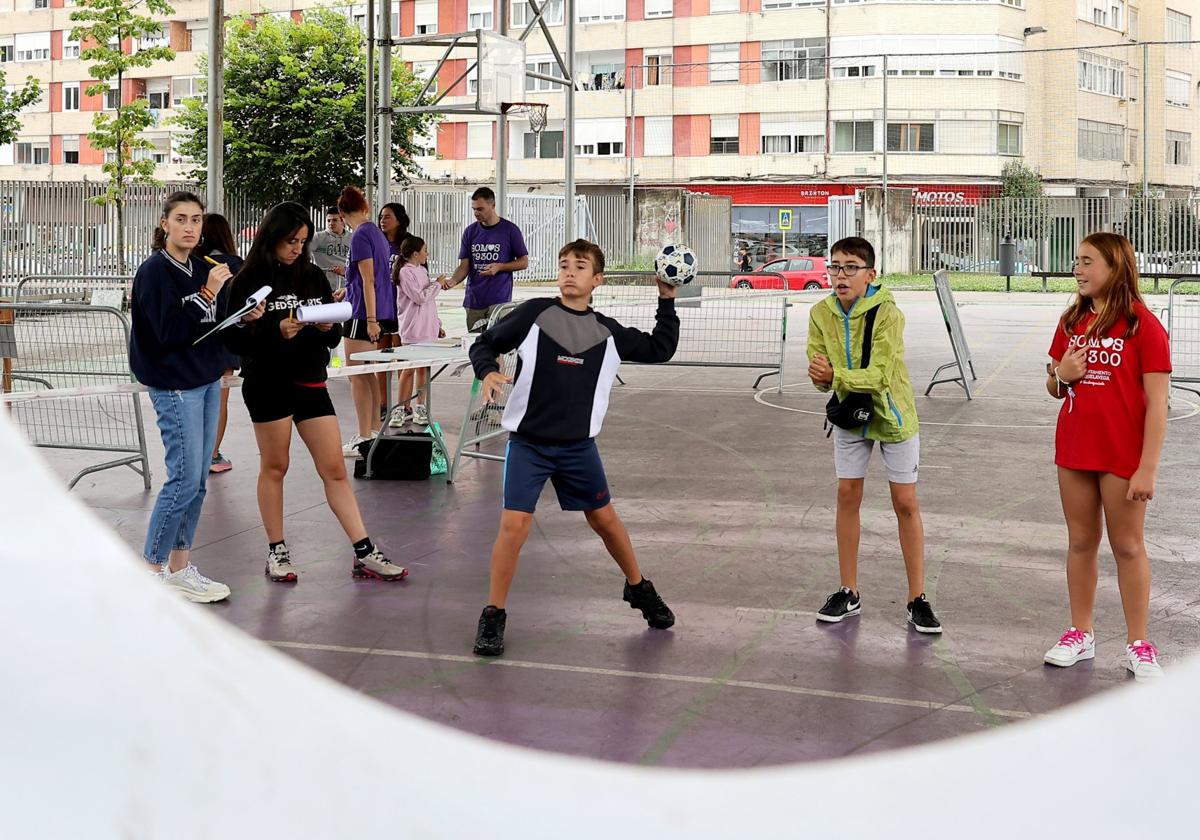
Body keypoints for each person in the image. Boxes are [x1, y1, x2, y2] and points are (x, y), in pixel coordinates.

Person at [467, 239, 679, 657]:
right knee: (514, 527)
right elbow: (483, 344)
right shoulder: (533, 315)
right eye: (564, 265)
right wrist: (488, 371)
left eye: (579, 267)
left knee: (606, 522)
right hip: (528, 445)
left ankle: (638, 587)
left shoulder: (608, 332)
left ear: (596, 280)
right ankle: (493, 614)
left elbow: (661, 348)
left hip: (578, 449)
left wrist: (666, 300)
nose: (569, 272)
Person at [222, 202, 409, 584]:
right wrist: (275, 331)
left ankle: (363, 550)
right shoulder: (245, 281)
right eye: (291, 241)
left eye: (303, 242)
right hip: (268, 384)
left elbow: (335, 332)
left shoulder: (311, 277)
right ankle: (277, 550)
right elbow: (233, 341)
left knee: (335, 469)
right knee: (276, 466)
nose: (296, 249)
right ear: (272, 237)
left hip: (310, 380)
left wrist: (327, 329)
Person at [1042, 232, 1170, 680]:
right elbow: (1053, 385)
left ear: (1115, 268)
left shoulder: (1143, 326)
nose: (1077, 269)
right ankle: (1081, 632)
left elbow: (1158, 404)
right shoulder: (1071, 321)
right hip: (1075, 449)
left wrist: (1147, 467)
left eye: (1087, 262)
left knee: (1128, 547)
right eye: (1076, 261)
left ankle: (1139, 643)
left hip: (1123, 456)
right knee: (1080, 542)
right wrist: (1063, 373)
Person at [129, 191, 260, 603]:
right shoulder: (155, 273)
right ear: (164, 224)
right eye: (181, 219)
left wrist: (243, 315)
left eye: (197, 220)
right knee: (183, 478)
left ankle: (181, 567)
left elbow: (211, 326)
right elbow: (166, 332)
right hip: (174, 384)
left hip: (204, 379)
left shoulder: (201, 267)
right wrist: (207, 293)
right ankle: (151, 568)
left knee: (198, 480)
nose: (190, 227)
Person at [806, 236, 941, 634]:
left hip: (893, 416)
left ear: (871, 274)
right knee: (847, 494)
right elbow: (818, 371)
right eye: (834, 267)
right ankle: (848, 590)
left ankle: (917, 598)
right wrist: (820, 377)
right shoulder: (820, 313)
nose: (840, 275)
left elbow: (881, 375)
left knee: (905, 502)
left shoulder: (888, 314)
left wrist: (835, 376)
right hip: (850, 416)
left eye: (850, 267)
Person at [336, 185, 398, 457]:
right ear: (366, 208)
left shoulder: (360, 235)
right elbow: (367, 279)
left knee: (357, 376)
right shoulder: (376, 233)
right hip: (378, 309)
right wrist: (347, 290)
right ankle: (372, 431)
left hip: (363, 314)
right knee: (368, 373)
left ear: (341, 212)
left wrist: (370, 319)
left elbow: (369, 278)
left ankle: (364, 437)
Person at [195, 213, 245, 474]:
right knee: (219, 401)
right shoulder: (235, 265)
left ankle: (197, 454)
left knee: (197, 400)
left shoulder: (194, 262)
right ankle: (212, 455)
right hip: (226, 340)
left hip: (198, 339)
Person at [445, 186, 529, 333]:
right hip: (474, 300)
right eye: (474, 209)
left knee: (497, 344)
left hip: (498, 299)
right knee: (476, 345)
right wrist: (452, 281)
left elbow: (523, 262)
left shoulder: (509, 230)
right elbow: (464, 266)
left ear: (493, 205)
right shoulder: (470, 232)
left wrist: (500, 267)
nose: (476, 213)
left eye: (480, 209)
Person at [394, 235, 449, 427]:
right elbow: (420, 297)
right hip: (412, 329)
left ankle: (420, 407)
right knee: (407, 370)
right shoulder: (405, 272)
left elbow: (429, 304)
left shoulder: (422, 271)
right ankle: (401, 408)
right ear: (415, 253)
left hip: (426, 329)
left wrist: (437, 324)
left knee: (423, 370)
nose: (427, 253)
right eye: (425, 250)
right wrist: (438, 284)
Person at [377, 201, 411, 424]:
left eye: (387, 216)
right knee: (381, 359)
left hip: (401, 309)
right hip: (381, 308)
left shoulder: (407, 245)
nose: (382, 220)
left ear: (399, 220)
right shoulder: (376, 244)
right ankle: (383, 404)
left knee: (401, 358)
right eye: (381, 216)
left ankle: (404, 404)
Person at [310, 207, 351, 294]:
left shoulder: (352, 238)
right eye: (328, 220)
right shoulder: (318, 237)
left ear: (342, 221)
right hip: (324, 287)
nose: (331, 223)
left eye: (334, 220)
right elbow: (302, 254)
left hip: (346, 287)